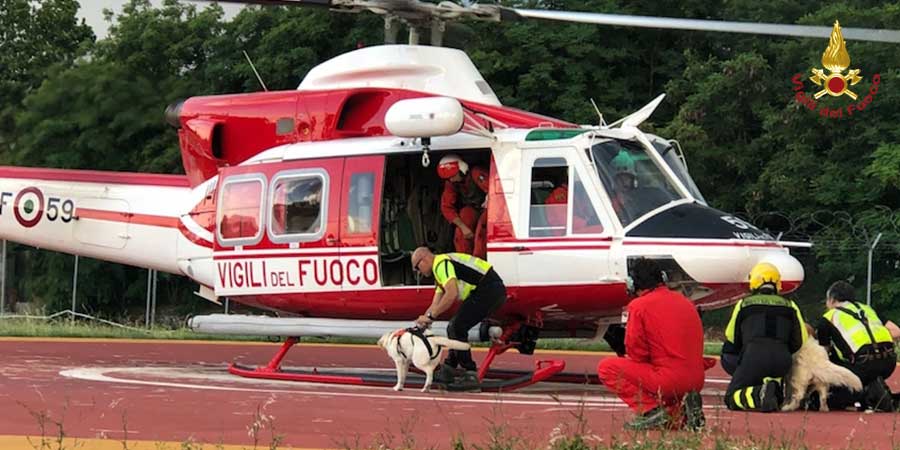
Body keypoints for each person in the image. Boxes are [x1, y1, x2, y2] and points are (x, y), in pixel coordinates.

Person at [597, 258, 706, 430]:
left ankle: (650, 410)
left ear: (632, 283)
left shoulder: (639, 306)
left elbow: (636, 352)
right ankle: (684, 409)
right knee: (670, 410)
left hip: (668, 379)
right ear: (662, 278)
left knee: (606, 367)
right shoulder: (686, 302)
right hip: (696, 379)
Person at [411, 247, 506, 382]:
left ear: (424, 259)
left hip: (489, 289)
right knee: (454, 327)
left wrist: (431, 316)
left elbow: (452, 294)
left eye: (417, 268)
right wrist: (423, 321)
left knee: (456, 327)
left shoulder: (441, 264)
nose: (418, 272)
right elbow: (435, 304)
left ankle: (469, 373)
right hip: (488, 289)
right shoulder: (439, 271)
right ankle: (450, 366)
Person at [721, 262, 807, 412]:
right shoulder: (790, 305)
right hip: (782, 362)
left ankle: (758, 393)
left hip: (754, 358)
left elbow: (731, 337)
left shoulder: (743, 304)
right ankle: (772, 389)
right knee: (773, 397)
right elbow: (801, 340)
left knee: (731, 397)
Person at [815, 280, 900, 411]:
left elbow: (823, 354)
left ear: (832, 299)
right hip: (889, 362)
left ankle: (865, 393)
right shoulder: (868, 310)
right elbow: (896, 331)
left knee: (830, 364)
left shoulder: (828, 318)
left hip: (862, 365)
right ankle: (875, 387)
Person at [437, 154, 489, 258]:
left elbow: (494, 189)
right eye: (448, 178)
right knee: (464, 220)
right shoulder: (451, 183)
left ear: (462, 169)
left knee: (481, 232)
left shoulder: (476, 173)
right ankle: (464, 261)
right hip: (473, 209)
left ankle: (479, 260)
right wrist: (463, 228)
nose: (451, 180)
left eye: (452, 176)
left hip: (489, 208)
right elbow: (446, 207)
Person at [610, 151, 638, 222]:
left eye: (627, 178)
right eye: (621, 178)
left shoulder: (636, 200)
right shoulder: (610, 204)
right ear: (614, 181)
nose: (624, 182)